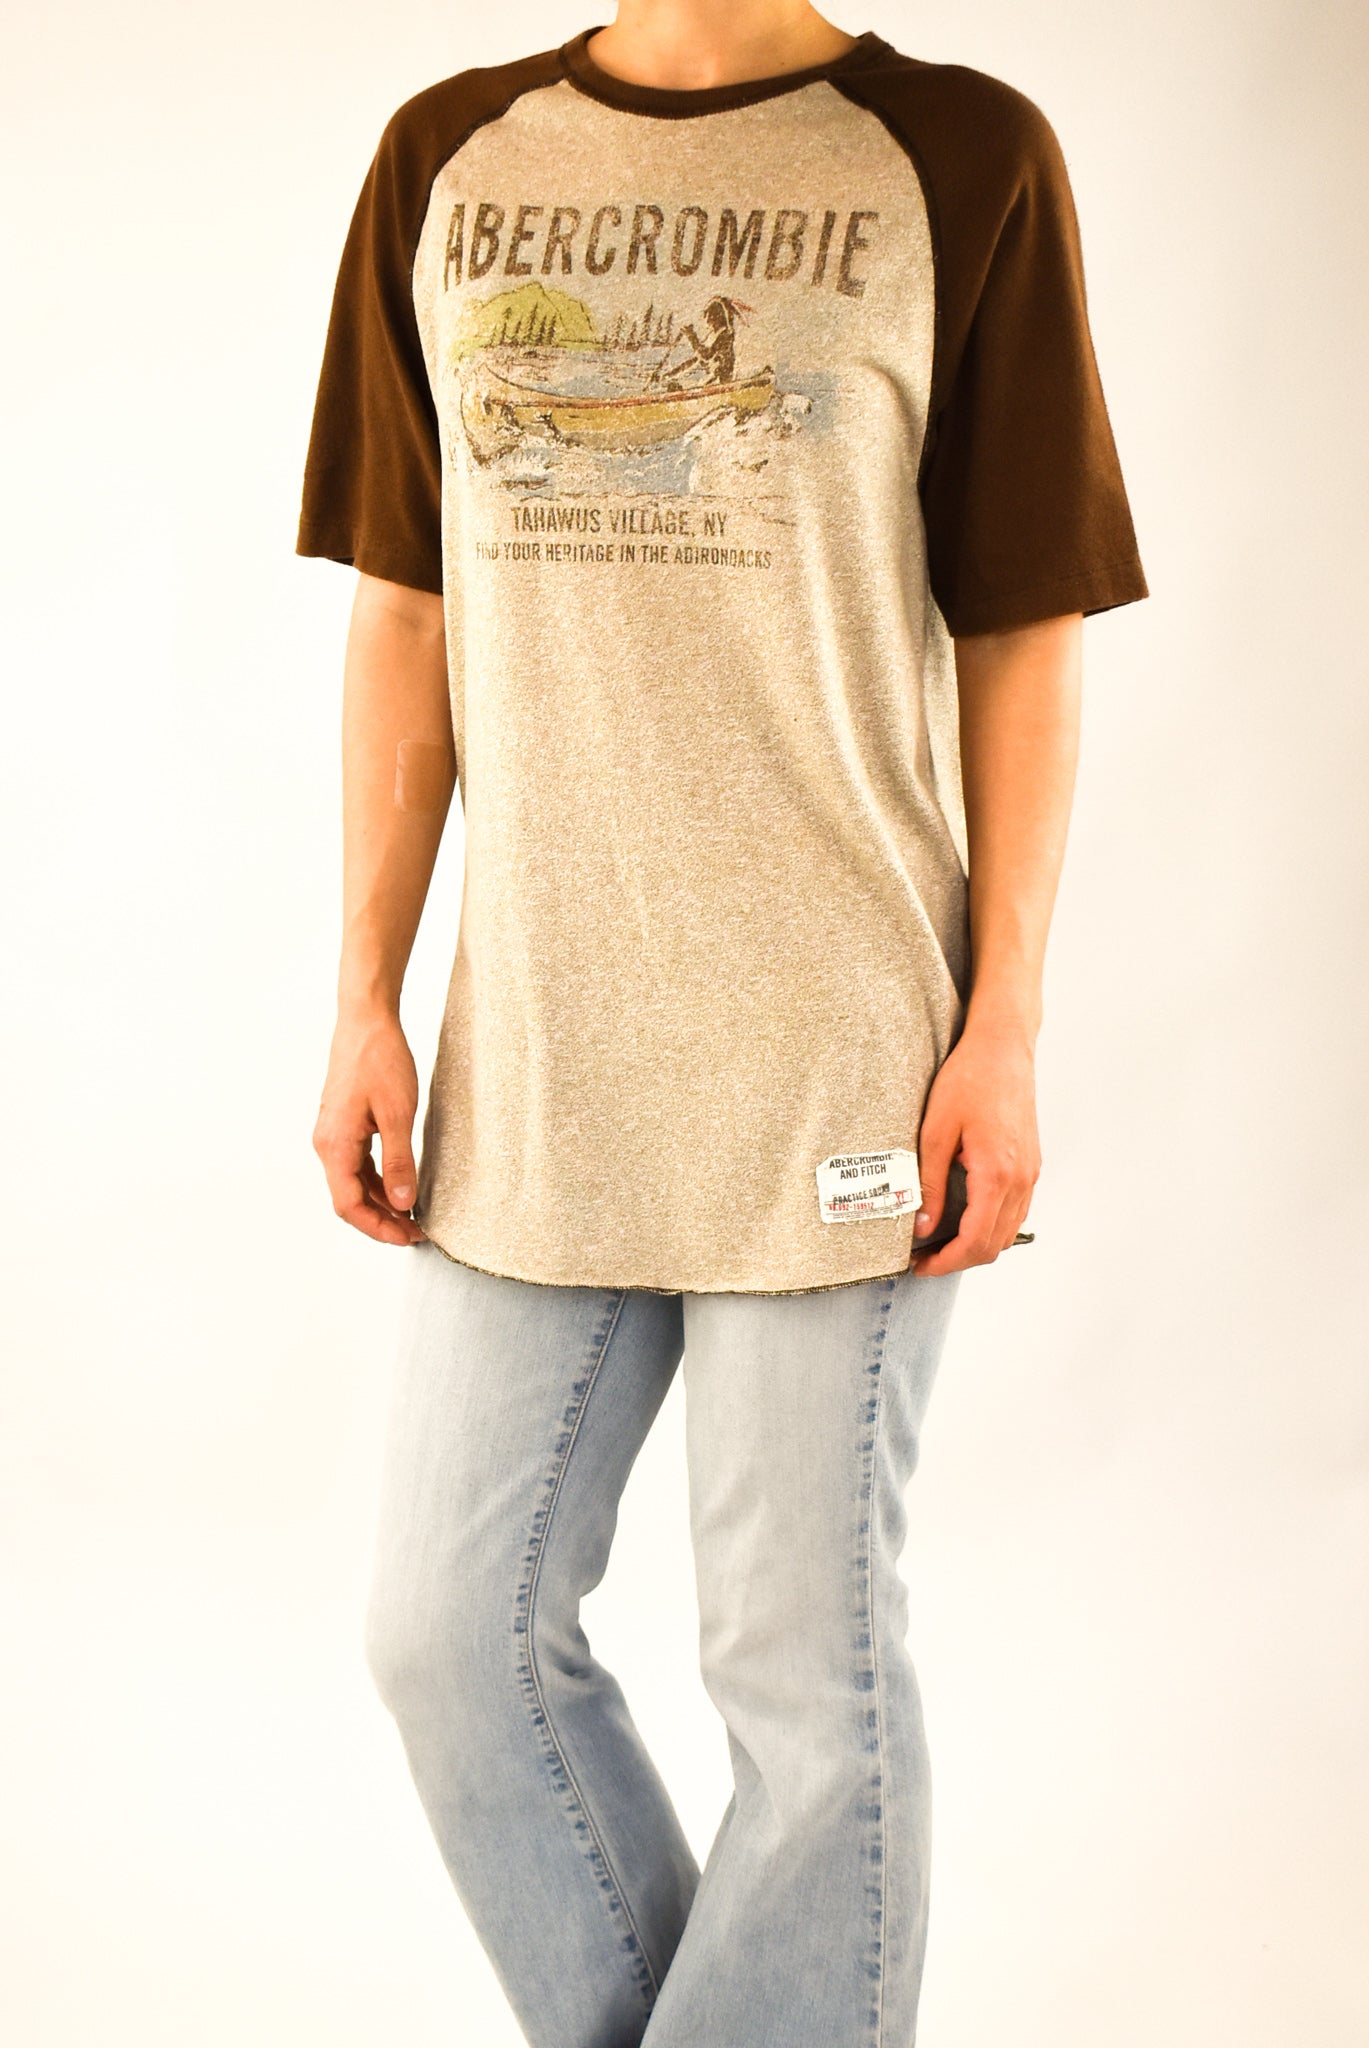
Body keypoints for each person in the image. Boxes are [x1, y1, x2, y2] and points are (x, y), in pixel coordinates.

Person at [295, 5, 1148, 2042]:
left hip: (843, 1047)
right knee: (446, 1634)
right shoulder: (445, 157)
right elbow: (406, 610)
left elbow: (1022, 624)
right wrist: (364, 995)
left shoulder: (960, 154)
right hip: (540, 1050)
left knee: (799, 1681)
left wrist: (1005, 1024)